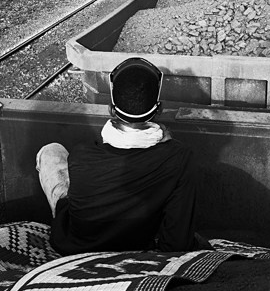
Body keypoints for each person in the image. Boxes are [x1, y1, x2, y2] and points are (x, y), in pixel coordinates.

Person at [36, 57, 199, 255]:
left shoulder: (81, 156)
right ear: (160, 109)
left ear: (111, 110)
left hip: (72, 246)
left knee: (51, 151)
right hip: (137, 243)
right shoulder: (179, 158)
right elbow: (177, 241)